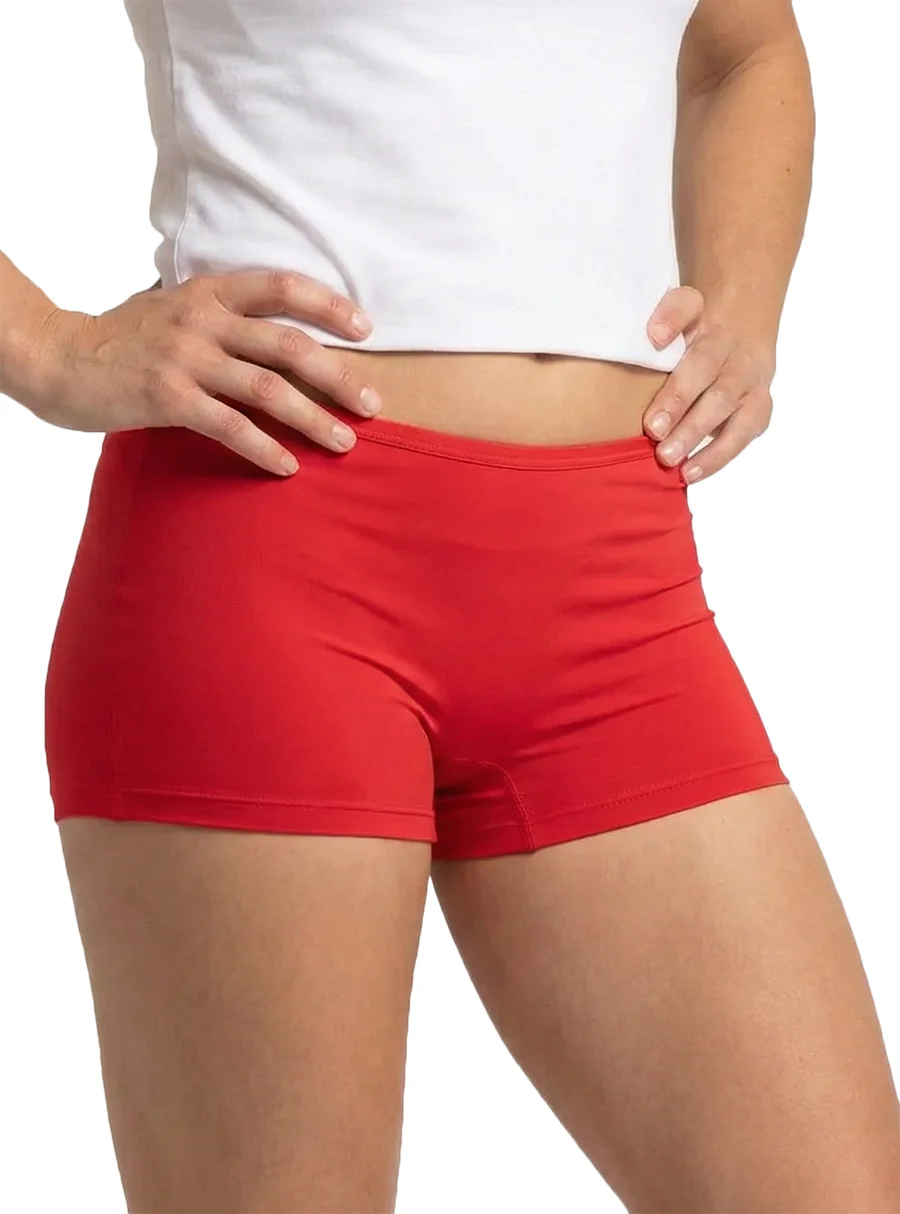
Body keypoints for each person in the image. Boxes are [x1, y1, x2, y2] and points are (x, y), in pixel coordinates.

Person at [2, 0, 898, 1210]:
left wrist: (744, 308)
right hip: (272, 551)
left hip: (617, 589)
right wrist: (50, 349)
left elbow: (743, 49)